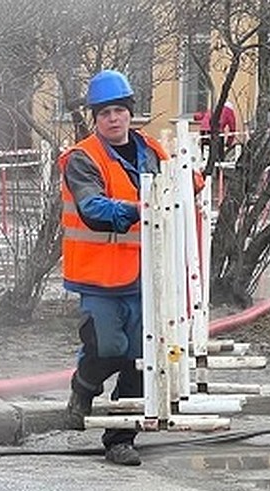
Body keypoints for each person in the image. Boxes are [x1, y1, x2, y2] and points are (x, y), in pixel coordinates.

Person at [60, 69, 168, 466]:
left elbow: (180, 185)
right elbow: (91, 209)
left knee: (141, 357)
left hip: (147, 275)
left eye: (119, 110)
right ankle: (83, 388)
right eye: (105, 112)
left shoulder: (153, 152)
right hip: (101, 276)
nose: (113, 118)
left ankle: (121, 438)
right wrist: (141, 209)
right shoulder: (82, 159)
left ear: (130, 112)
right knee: (108, 348)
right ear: (95, 117)